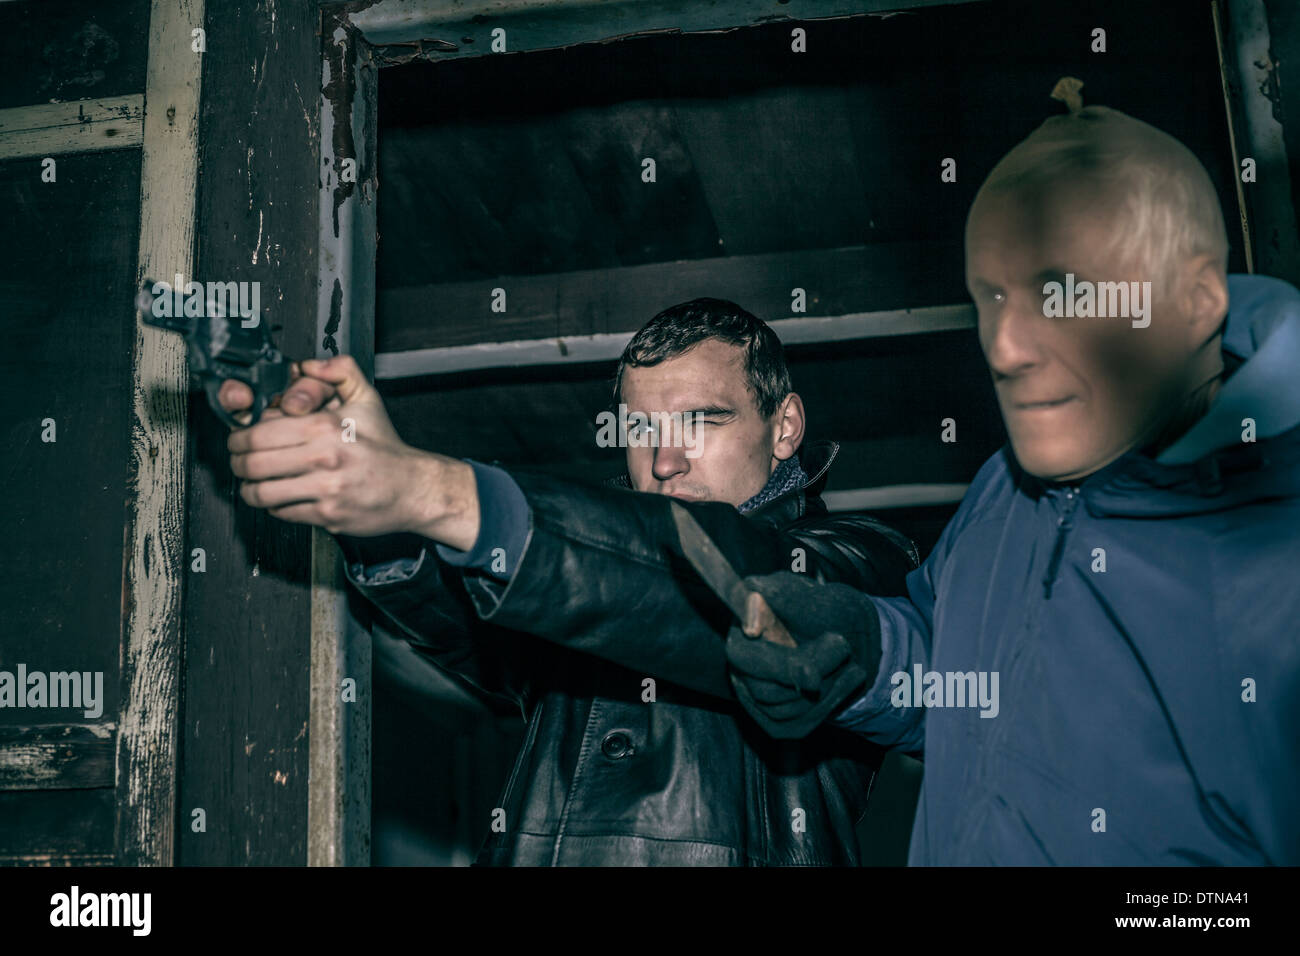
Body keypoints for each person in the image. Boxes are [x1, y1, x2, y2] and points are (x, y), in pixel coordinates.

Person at [717, 104, 1300, 864]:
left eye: (1058, 292)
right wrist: (860, 653)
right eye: (991, 297)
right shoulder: (1004, 487)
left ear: (1196, 302)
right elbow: (967, 682)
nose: (1005, 346)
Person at [218, 298, 918, 865]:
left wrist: (434, 492)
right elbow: (465, 619)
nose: (665, 461)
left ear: (785, 425)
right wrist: (369, 513)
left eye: (701, 420)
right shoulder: (578, 566)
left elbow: (734, 585)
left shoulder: (860, 557)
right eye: (642, 428)